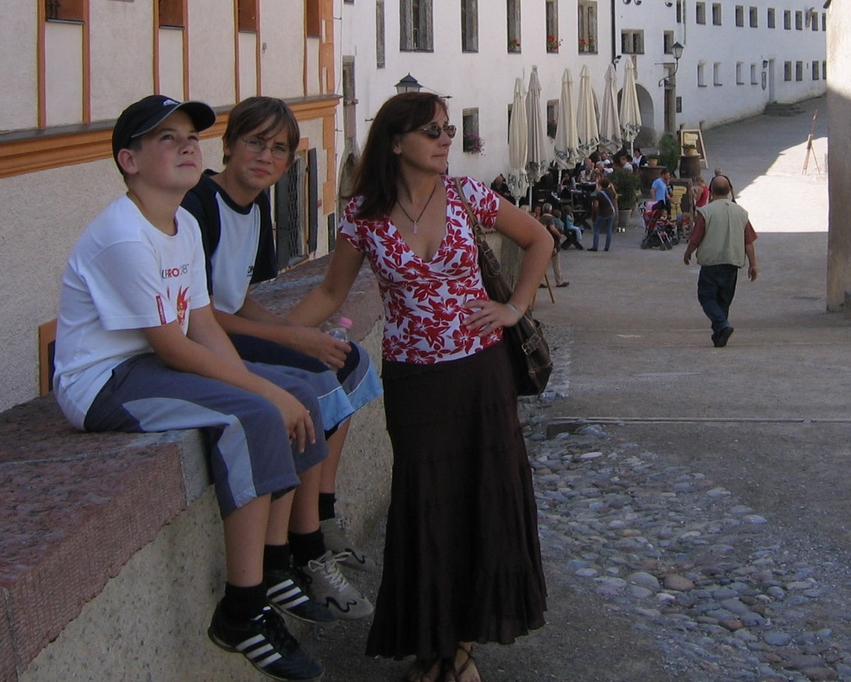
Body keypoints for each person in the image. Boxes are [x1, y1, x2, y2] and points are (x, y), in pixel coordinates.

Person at [52, 95, 330, 680]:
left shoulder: (178, 223)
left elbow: (202, 324)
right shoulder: (125, 236)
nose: (186, 146)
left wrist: (263, 383)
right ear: (129, 160)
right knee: (252, 416)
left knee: (299, 397)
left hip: (148, 366)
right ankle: (242, 609)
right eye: (167, 139)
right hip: (103, 383)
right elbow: (174, 345)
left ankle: (276, 563)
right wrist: (260, 394)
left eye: (189, 137)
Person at [290, 92, 554, 682]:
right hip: (416, 384)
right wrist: (274, 338)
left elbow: (539, 239)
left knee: (482, 503)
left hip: (481, 375)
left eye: (447, 129)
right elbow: (330, 294)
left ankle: (458, 651)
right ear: (395, 141)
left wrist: (513, 306)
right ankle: (434, 649)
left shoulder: (466, 196)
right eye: (432, 130)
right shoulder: (363, 215)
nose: (445, 139)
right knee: (427, 509)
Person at [180, 96, 381, 618]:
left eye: (278, 149)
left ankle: (323, 511)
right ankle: (302, 547)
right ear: (227, 146)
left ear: (289, 162)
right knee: (313, 379)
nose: (265, 157)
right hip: (198, 340)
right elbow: (196, 314)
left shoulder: (255, 207)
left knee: (350, 362)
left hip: (227, 326)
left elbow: (239, 296)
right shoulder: (199, 204)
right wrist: (293, 341)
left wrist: (291, 331)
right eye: (254, 143)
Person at [681, 174, 759, 348]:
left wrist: (688, 253)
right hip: (732, 263)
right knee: (724, 300)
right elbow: (748, 242)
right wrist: (753, 265)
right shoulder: (741, 213)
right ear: (730, 190)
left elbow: (696, 238)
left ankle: (722, 326)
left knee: (706, 297)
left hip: (711, 263)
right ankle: (720, 333)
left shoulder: (706, 212)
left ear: (711, 191)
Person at [588, 177, 617, 251]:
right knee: (609, 230)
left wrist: (594, 211)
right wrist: (612, 187)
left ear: (601, 185)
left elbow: (596, 206)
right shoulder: (611, 192)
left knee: (597, 229)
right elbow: (615, 196)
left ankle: (595, 246)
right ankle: (607, 247)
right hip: (611, 212)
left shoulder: (599, 195)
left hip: (602, 213)